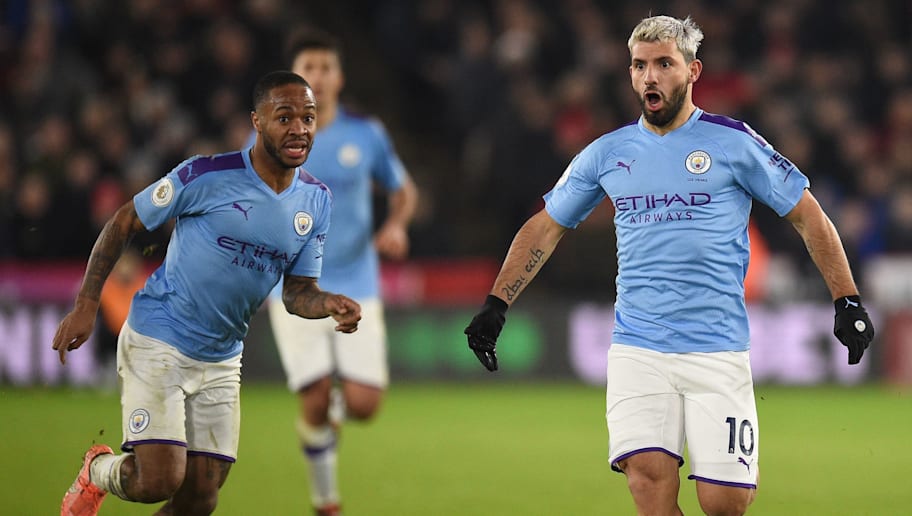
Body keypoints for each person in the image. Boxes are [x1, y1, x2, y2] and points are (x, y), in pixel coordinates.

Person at [464, 15, 874, 516]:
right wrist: (496, 303)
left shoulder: (734, 142)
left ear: (693, 71)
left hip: (717, 349)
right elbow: (545, 227)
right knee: (649, 485)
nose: (650, 76)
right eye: (640, 65)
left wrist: (846, 299)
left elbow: (810, 218)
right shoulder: (607, 153)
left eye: (663, 64)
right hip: (639, 349)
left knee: (725, 504)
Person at [53, 70, 361, 516]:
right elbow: (125, 220)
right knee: (159, 479)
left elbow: (297, 293)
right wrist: (86, 304)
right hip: (160, 337)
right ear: (257, 121)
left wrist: (327, 303)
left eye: (308, 118)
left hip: (221, 357)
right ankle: (97, 470)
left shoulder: (316, 201)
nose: (299, 129)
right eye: (285, 117)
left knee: (200, 499)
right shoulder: (205, 174)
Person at [260, 28, 417, 516]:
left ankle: (329, 413)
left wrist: (395, 224)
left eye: (327, 68)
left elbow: (403, 189)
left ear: (340, 77)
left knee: (365, 405)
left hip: (356, 280)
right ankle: (326, 500)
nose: (319, 77)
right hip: (294, 285)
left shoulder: (365, 134)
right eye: (310, 67)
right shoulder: (270, 136)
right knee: (314, 399)